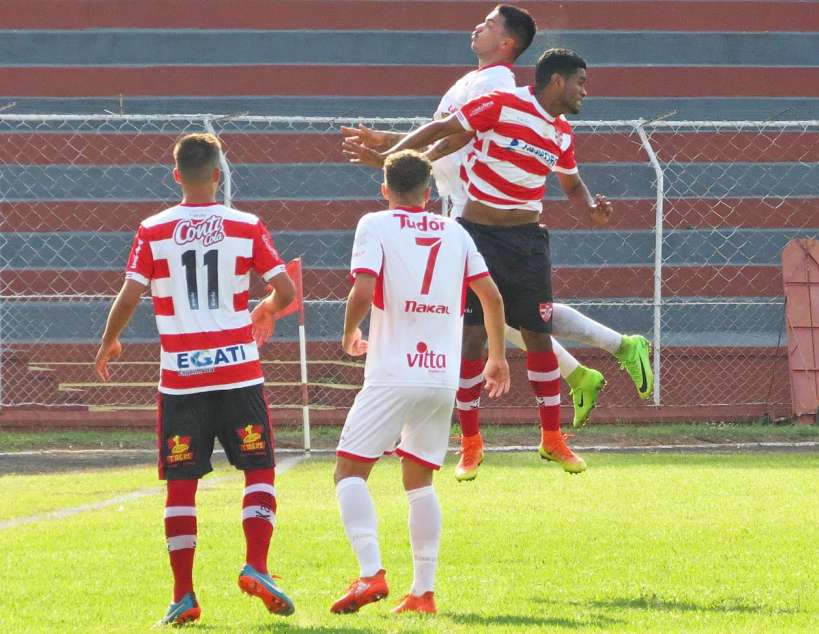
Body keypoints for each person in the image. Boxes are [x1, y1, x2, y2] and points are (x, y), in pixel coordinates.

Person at [343, 7, 653, 479]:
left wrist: (590, 208)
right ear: (555, 82)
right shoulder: (501, 101)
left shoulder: (560, 132)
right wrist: (393, 154)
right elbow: (446, 132)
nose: (585, 92)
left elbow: (571, 185)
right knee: (470, 339)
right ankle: (470, 445)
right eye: (580, 83)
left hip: (527, 240)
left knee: (537, 333)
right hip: (475, 233)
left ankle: (552, 439)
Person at [94, 133, 297, 626]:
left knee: (181, 486)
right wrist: (265, 308)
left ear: (176, 175)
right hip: (238, 372)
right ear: (219, 175)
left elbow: (129, 294)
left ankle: (184, 595)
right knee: (259, 470)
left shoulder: (153, 229)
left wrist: (110, 340)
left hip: (182, 378)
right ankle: (257, 565)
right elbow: (285, 290)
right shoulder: (245, 225)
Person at [330, 151, 510, 615]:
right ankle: (423, 593)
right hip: (441, 376)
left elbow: (364, 288)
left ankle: (371, 575)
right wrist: (496, 358)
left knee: (349, 472)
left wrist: (350, 331)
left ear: (385, 189)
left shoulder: (375, 224)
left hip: (393, 372)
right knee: (419, 482)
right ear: (429, 193)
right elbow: (490, 296)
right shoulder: (456, 231)